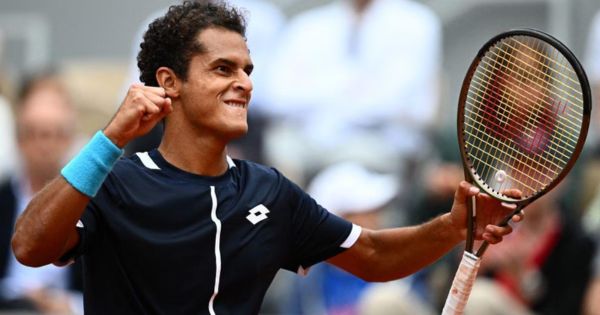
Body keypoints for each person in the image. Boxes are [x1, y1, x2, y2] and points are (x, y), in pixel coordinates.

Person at [11, 2, 522, 314]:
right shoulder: (116, 181)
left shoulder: (269, 192)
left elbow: (375, 255)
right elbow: (30, 245)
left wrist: (456, 226)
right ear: (169, 83)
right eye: (223, 68)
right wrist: (108, 140)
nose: (245, 83)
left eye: (248, 69)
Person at [262, 0, 442, 185]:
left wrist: (325, 93)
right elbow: (276, 96)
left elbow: (395, 103)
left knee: (350, 168)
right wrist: (342, 87)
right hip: (313, 137)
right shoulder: (307, 26)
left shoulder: (415, 23)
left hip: (380, 141)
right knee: (281, 146)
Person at [1, 73, 82, 314]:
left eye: (55, 134)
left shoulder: (94, 204)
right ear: (18, 139)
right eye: (35, 133)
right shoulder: (3, 200)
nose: (45, 146)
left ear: (69, 139)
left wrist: (71, 306)